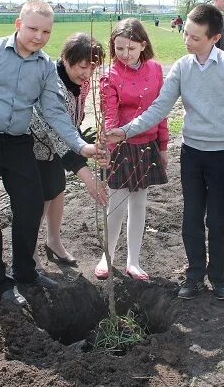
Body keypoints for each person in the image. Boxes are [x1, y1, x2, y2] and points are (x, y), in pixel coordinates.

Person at [0, 0, 103, 308]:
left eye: (46, 31)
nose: (38, 37)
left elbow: (54, 113)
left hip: (18, 142)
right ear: (18, 24)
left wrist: (81, 145)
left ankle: (25, 271)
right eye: (33, 28)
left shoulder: (46, 67)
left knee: (31, 205)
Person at [105, 4, 224, 300]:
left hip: (222, 156)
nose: (188, 41)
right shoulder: (182, 67)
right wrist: (125, 131)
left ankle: (218, 277)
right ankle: (195, 275)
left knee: (218, 220)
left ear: (215, 38)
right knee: (192, 218)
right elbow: (159, 107)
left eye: (195, 37)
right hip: (192, 153)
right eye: (186, 34)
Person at [95, 18, 169, 282]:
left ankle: (133, 261)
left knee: (139, 204)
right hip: (122, 147)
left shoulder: (156, 70)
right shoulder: (110, 75)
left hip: (147, 147)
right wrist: (109, 149)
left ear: (143, 45)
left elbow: (161, 113)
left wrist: (162, 146)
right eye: (118, 49)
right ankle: (107, 256)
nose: (124, 55)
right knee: (116, 204)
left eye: (131, 49)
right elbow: (110, 118)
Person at [29, 33, 109, 267]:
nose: (87, 74)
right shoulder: (52, 86)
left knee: (58, 191)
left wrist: (87, 143)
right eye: (83, 67)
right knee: (41, 198)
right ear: (65, 58)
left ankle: (53, 241)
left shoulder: (80, 83)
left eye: (92, 69)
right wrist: (87, 176)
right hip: (38, 147)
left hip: (60, 146)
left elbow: (74, 120)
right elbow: (56, 133)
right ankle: (29, 254)